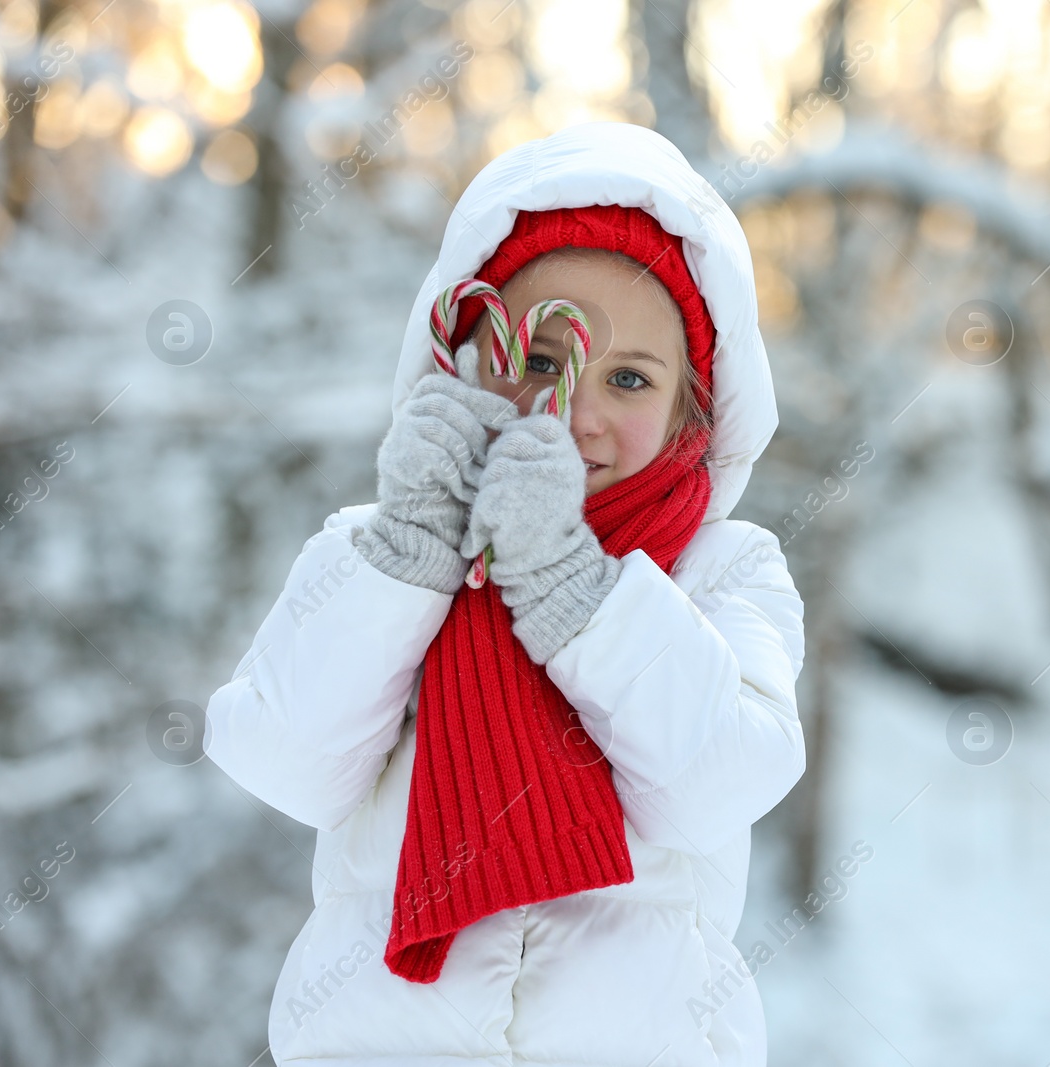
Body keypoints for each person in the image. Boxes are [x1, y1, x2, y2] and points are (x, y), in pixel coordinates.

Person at [204, 121, 806, 1067]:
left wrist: (576, 587)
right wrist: (410, 556)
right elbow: (283, 761)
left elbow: (717, 784)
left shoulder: (723, 569)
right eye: (540, 358)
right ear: (468, 355)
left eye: (632, 377)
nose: (580, 410)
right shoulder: (374, 550)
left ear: (698, 406)